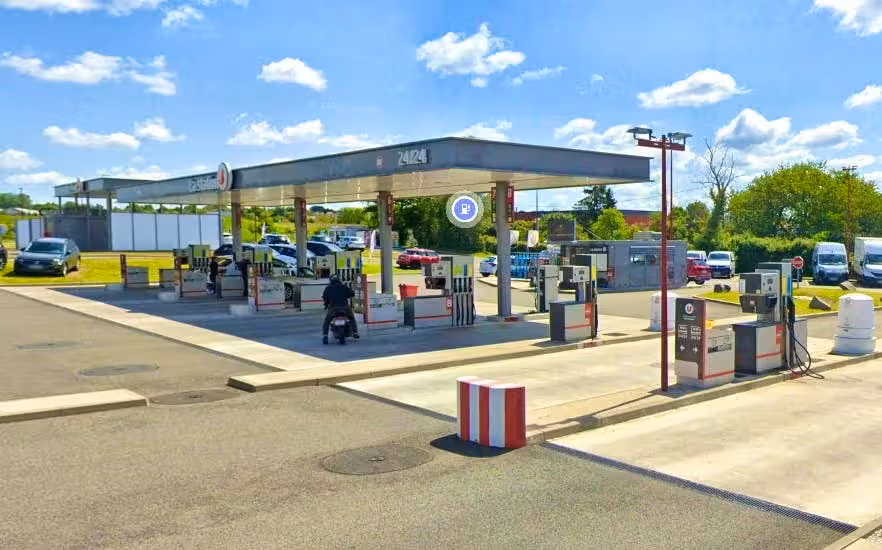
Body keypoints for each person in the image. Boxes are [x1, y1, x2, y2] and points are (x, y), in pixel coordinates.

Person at [322, 275, 359, 344]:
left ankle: (325, 336)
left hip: (333, 308)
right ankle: (355, 332)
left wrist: (326, 304)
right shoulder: (344, 286)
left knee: (327, 321)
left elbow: (325, 297)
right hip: (345, 307)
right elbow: (351, 294)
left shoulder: (328, 288)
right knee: (352, 318)